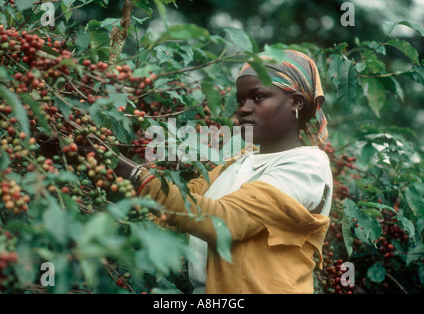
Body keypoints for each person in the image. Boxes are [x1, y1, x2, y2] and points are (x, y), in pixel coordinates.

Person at [114, 49, 333, 294]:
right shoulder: (236, 163)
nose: (244, 109)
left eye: (258, 97)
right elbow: (171, 207)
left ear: (296, 102)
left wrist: (131, 173)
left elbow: (226, 221)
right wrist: (107, 169)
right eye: (241, 101)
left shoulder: (308, 165)